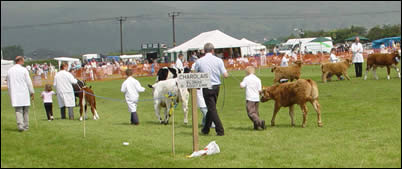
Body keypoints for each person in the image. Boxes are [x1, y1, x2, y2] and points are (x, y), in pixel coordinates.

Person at [194, 42, 229, 136]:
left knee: (212, 109)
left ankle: (220, 130)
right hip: (216, 87)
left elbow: (194, 72)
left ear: (204, 51)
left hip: (206, 86)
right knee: (211, 108)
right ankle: (206, 129)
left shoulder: (199, 61)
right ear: (213, 50)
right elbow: (225, 75)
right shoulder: (219, 60)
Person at [7, 56, 35, 132]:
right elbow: (29, 82)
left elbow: (8, 84)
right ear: (20, 61)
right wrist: (32, 91)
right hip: (24, 92)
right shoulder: (24, 70)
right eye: (23, 60)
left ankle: (20, 125)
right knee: (25, 111)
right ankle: (26, 126)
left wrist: (10, 94)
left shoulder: (10, 70)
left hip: (15, 93)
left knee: (18, 110)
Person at [240, 66, 266, 130]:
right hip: (256, 98)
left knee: (251, 113)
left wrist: (241, 84)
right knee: (256, 113)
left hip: (250, 98)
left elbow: (242, 86)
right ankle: (256, 127)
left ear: (247, 72)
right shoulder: (258, 79)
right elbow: (260, 90)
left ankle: (260, 123)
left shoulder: (246, 78)